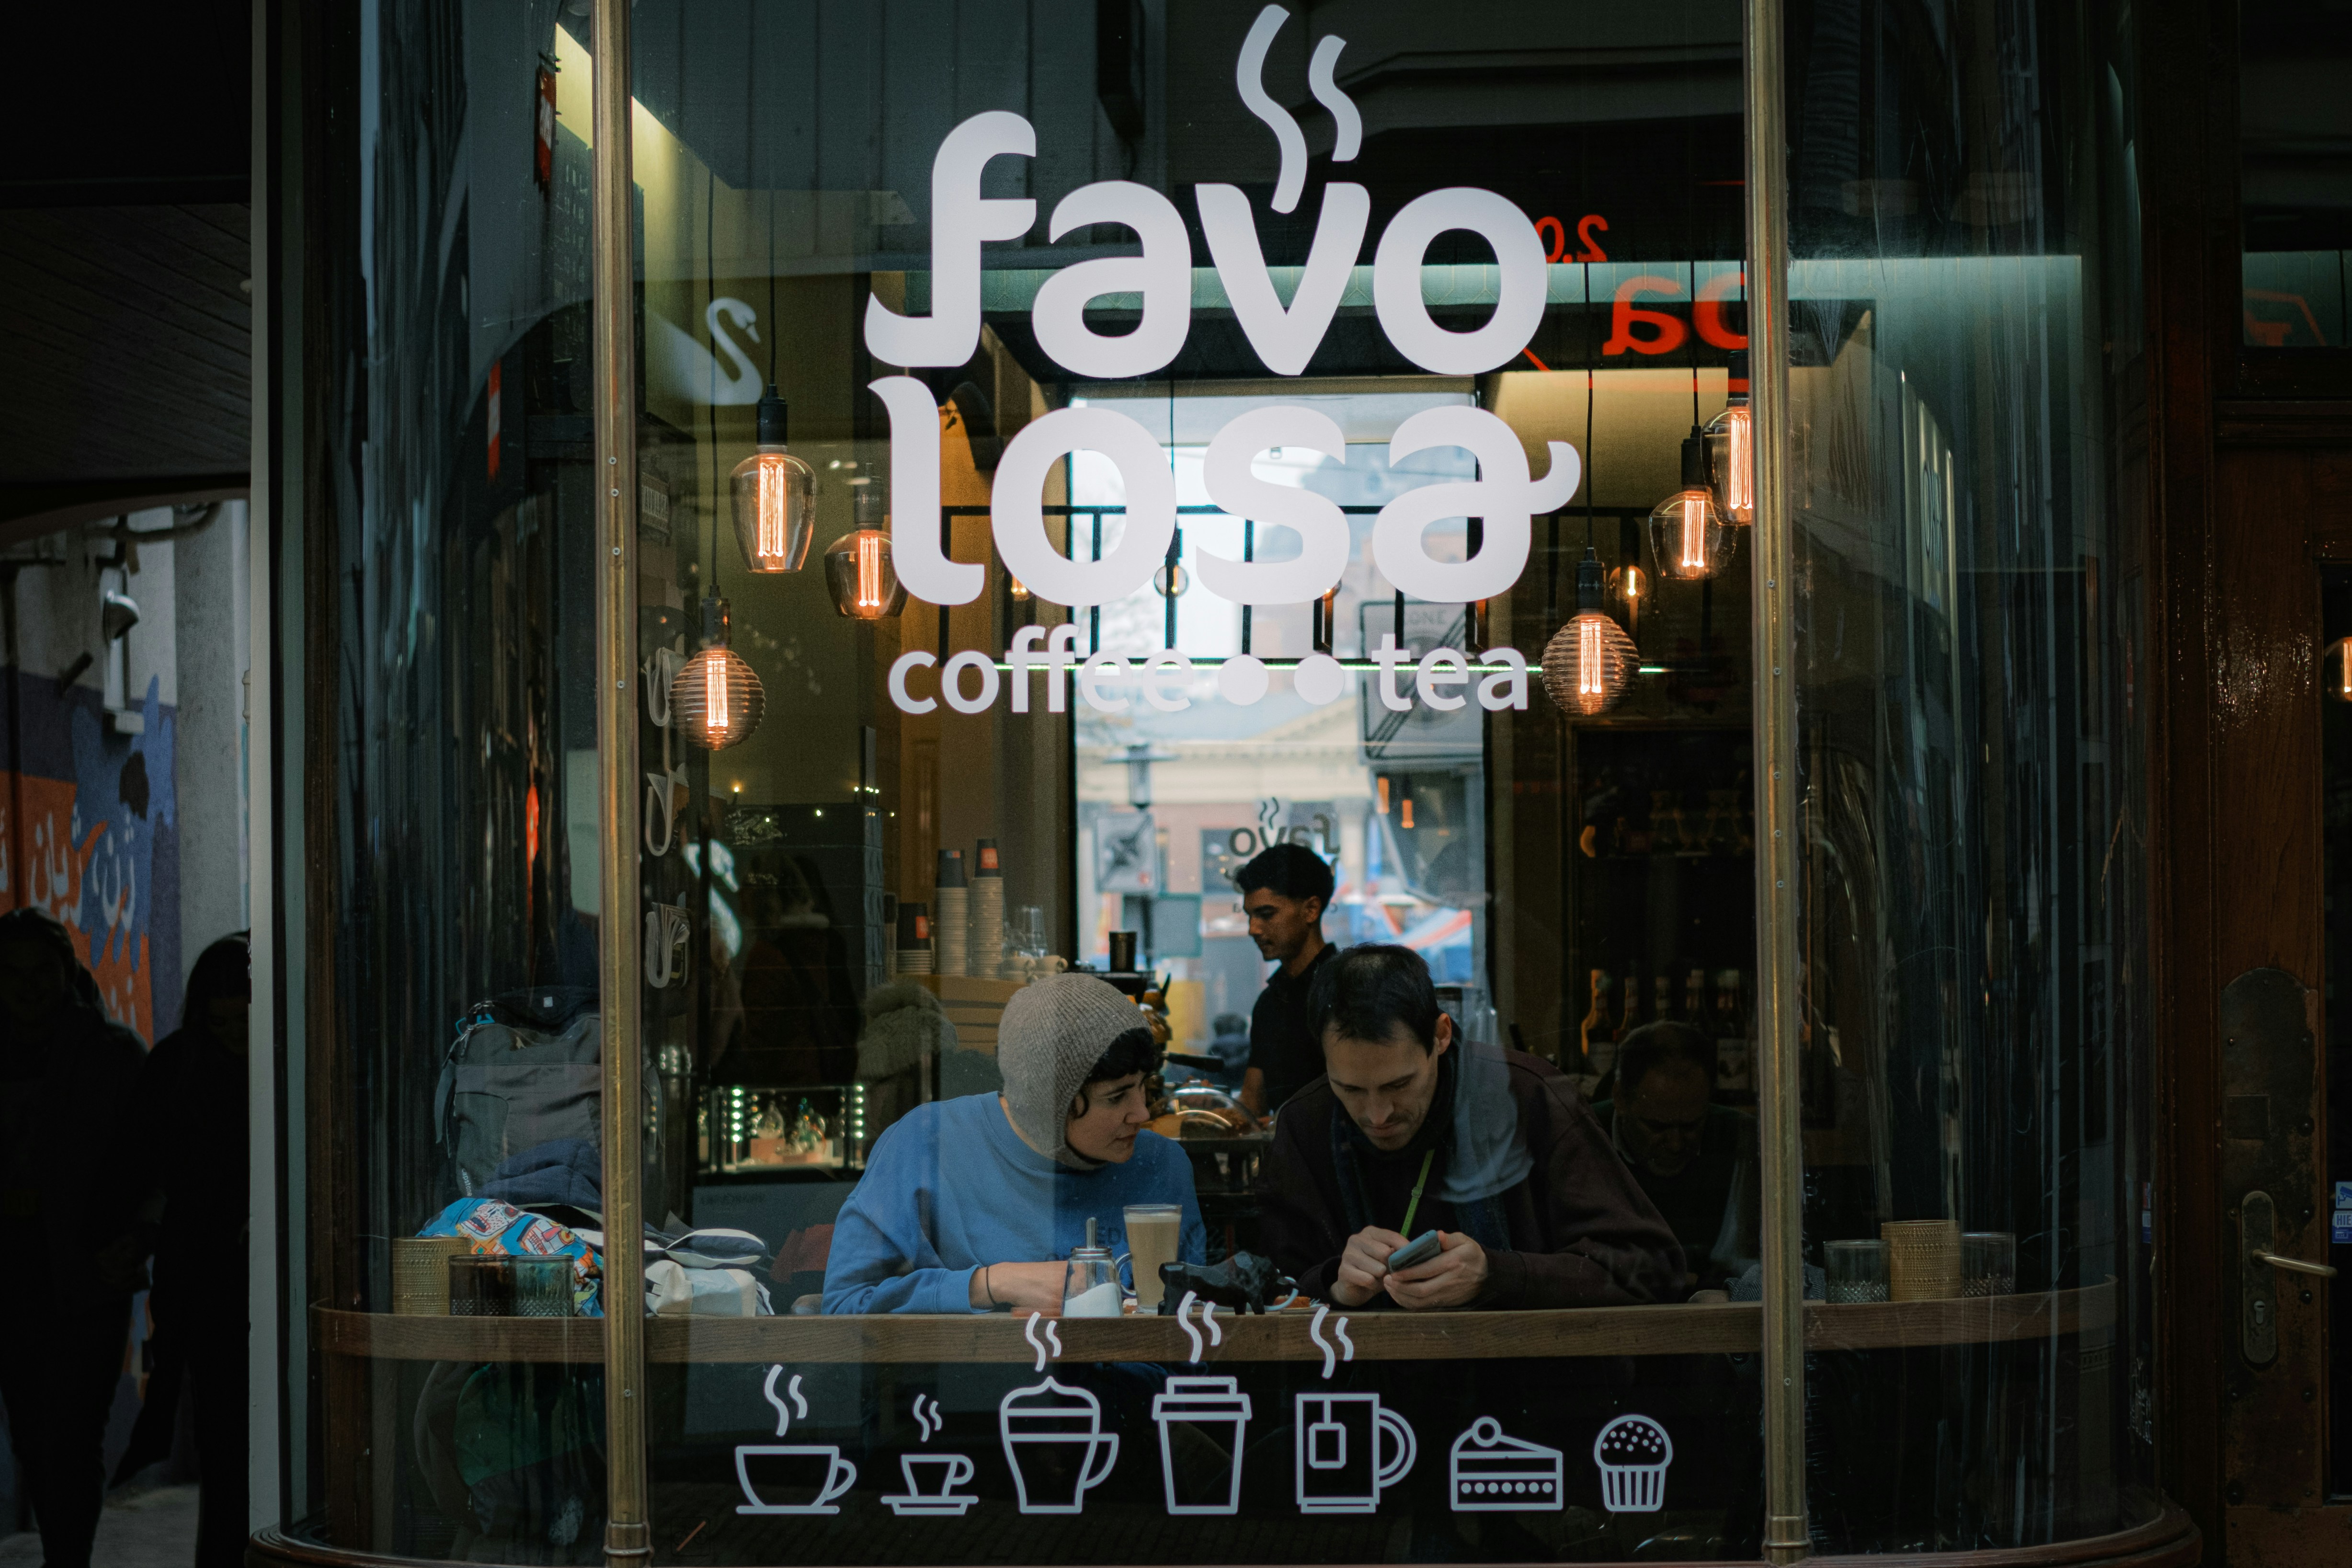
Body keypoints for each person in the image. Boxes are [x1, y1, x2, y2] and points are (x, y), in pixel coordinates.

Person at [1257, 944, 1683, 1310]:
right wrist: (1334, 1284)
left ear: (1441, 1035)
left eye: (1399, 1084)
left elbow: (1653, 1268)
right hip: (1366, 1383)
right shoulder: (1307, 1123)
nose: (1378, 1114)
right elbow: (1267, 1289)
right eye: (1350, 1088)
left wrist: (1498, 1274)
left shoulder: (1530, 1097)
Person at [823, 973, 1205, 1313]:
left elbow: (1197, 1329)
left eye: (1144, 1086)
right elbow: (845, 1304)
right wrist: (990, 1284)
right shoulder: (926, 1144)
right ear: (1048, 1103)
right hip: (985, 1373)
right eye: (1116, 1097)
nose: (1142, 1113)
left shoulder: (1162, 1165)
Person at [0, 908, 150, 1568]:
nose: (28, 987)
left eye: (42, 971)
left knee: (72, 1435)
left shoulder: (111, 1055)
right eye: (12, 974)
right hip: (12, 1276)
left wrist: (139, 1237)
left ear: (66, 972)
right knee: (34, 1436)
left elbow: (156, 1160)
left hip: (88, 1275)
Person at [128, 934, 251, 1568]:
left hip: (221, 1277)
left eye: (243, 1021)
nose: (236, 1037)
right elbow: (144, 1173)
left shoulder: (185, 1064)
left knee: (231, 1449)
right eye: (222, 1024)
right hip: (205, 1284)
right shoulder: (179, 1067)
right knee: (225, 1449)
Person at [1591, 1021, 1760, 1293]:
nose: (1676, 1144)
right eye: (1657, 1127)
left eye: (1692, 1126)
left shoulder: (1744, 1139)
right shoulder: (1583, 1135)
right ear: (1620, 1099)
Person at [1233, 841, 1336, 1118]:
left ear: (1311, 910)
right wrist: (1211, 1107)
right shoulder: (1270, 1001)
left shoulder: (1347, 990)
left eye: (1266, 915)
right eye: (1250, 916)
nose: (1253, 929)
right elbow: (1253, 1102)